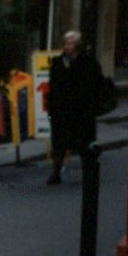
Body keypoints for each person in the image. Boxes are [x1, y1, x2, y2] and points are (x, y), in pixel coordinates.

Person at [46, 29, 104, 184]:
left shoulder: (88, 62)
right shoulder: (58, 62)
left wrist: (92, 105)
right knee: (59, 143)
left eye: (70, 43)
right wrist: (52, 107)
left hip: (82, 111)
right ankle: (56, 173)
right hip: (61, 110)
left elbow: (96, 83)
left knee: (85, 144)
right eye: (65, 43)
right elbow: (52, 85)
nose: (67, 46)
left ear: (77, 45)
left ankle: (88, 172)